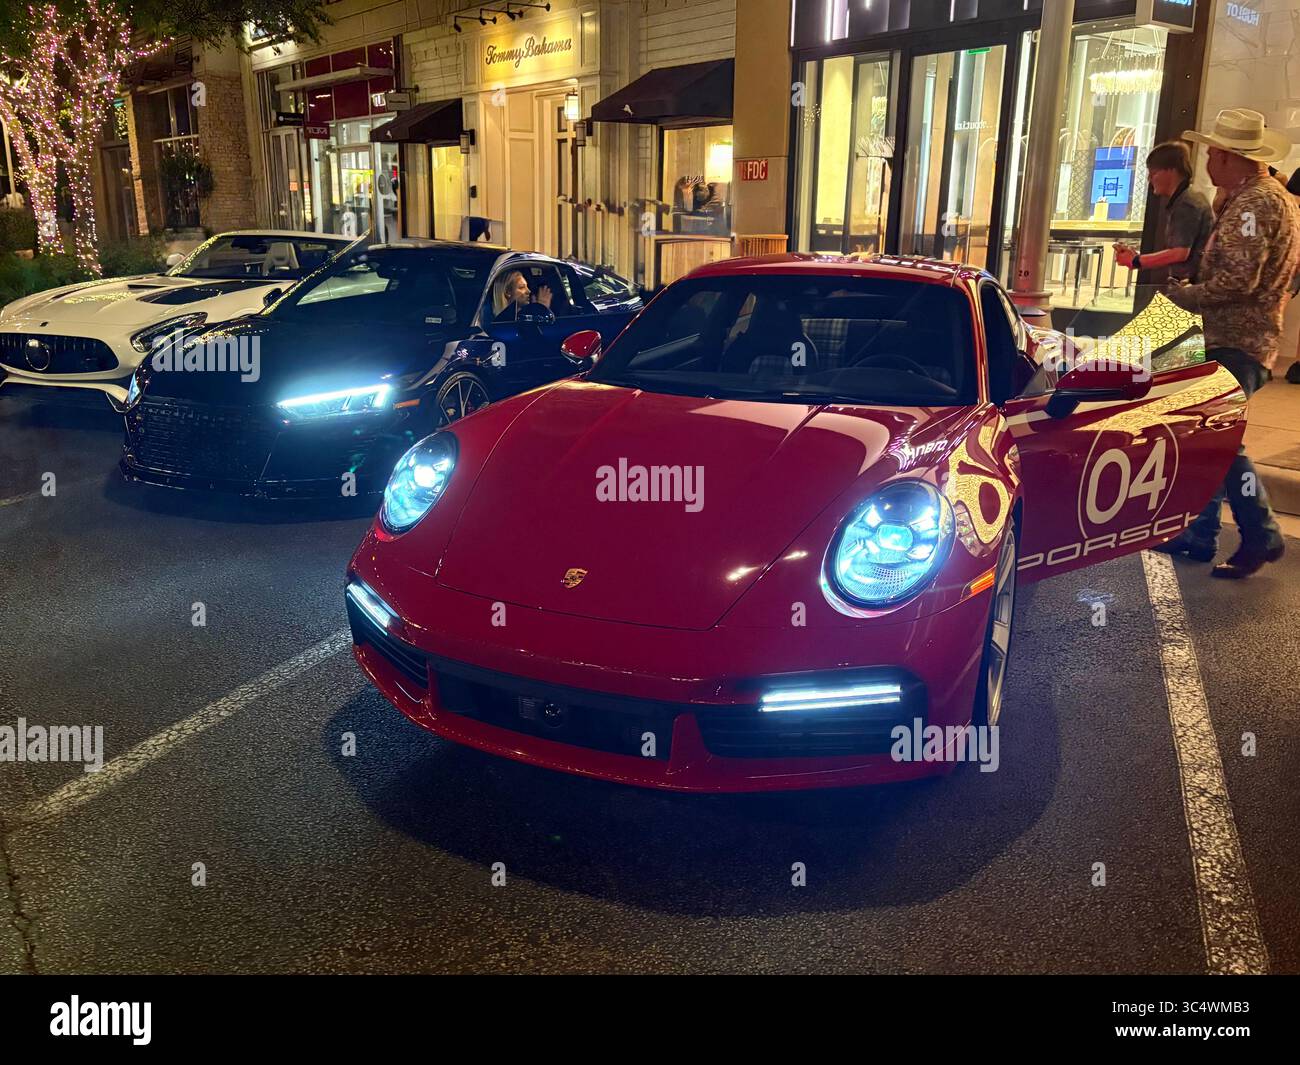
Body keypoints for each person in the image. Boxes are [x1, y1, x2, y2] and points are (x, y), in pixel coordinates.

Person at [1157, 108, 1300, 578]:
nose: (1209, 162)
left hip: (1237, 339)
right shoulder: (1265, 198)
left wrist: (1183, 295)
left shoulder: (1255, 205)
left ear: (1229, 157)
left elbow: (1238, 280)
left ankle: (1254, 534)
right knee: (1215, 436)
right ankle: (1210, 534)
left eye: (1214, 153)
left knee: (1216, 438)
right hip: (1243, 338)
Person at [1114, 141, 1214, 286]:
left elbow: (1180, 253)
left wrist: (1136, 260)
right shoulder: (1188, 198)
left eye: (1153, 173)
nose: (1149, 179)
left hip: (1191, 286)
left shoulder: (1186, 203)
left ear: (1171, 171)